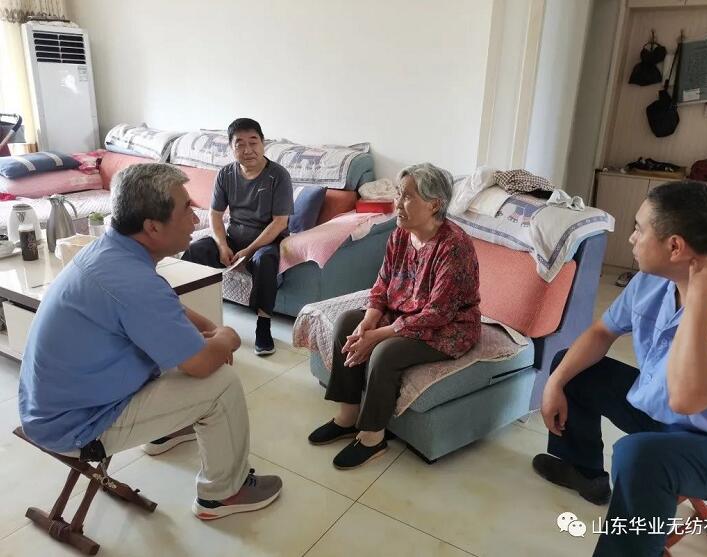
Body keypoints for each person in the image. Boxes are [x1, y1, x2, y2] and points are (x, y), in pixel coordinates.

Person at [18, 163, 282, 521]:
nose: (195, 219)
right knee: (220, 383)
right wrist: (229, 338)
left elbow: (165, 306)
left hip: (53, 407)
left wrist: (209, 330)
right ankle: (222, 494)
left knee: (176, 349)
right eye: (187, 210)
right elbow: (201, 363)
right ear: (152, 227)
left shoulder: (111, 252)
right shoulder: (131, 283)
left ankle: (163, 431)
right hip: (77, 426)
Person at [531, 181, 707, 556]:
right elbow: (602, 332)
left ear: (675, 247)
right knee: (570, 367)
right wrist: (554, 383)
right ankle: (585, 472)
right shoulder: (653, 278)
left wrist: (700, 299)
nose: (631, 238)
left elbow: (686, 399)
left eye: (639, 229)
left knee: (639, 457)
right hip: (659, 410)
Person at [307, 163, 481, 469]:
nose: (397, 203)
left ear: (435, 204)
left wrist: (379, 335)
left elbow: (437, 314)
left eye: (408, 196)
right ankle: (348, 417)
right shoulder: (401, 233)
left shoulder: (455, 247)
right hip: (404, 311)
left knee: (385, 352)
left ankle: (372, 437)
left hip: (448, 327)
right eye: (399, 193)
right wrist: (369, 321)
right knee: (348, 322)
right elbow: (382, 283)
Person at [181, 117, 293, 356]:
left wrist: (249, 251)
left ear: (263, 143)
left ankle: (263, 326)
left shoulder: (278, 175)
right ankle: (187, 318)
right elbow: (215, 214)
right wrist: (222, 245)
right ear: (231, 148)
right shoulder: (226, 174)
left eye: (253, 142)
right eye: (240, 144)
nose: (248, 150)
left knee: (265, 260)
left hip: (267, 242)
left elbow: (279, 222)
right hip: (233, 237)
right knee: (195, 250)